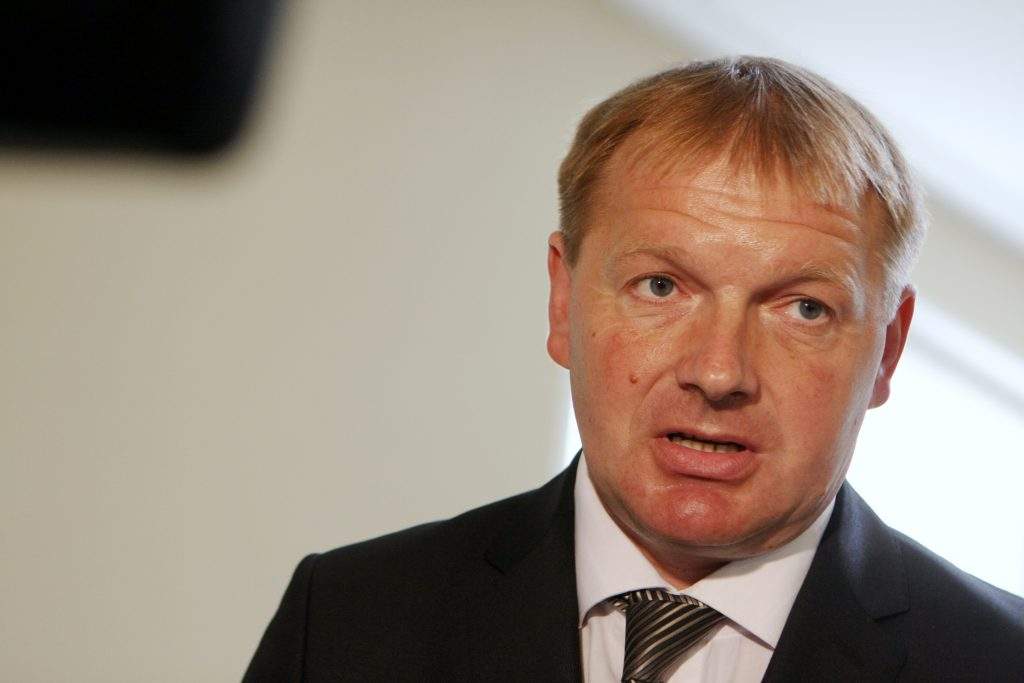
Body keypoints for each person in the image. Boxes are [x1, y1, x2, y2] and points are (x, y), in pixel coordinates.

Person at [243, 56, 1024, 682]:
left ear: (888, 348)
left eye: (804, 308)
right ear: (563, 302)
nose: (718, 372)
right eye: (661, 287)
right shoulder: (347, 622)